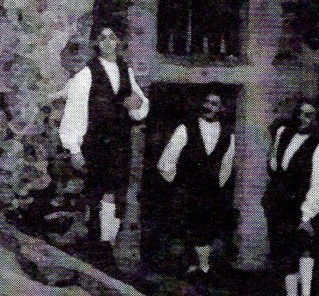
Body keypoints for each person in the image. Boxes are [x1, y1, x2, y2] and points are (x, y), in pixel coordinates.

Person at [59, 24, 149, 265]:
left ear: (119, 42)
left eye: (112, 37)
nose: (108, 42)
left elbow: (140, 108)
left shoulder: (126, 72)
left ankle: (107, 246)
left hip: (120, 143)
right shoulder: (87, 74)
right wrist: (74, 148)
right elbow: (75, 111)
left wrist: (138, 104)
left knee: (116, 194)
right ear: (96, 43)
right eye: (102, 38)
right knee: (99, 194)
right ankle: (97, 247)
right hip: (97, 142)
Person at [157, 90, 236, 276]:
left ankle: (203, 269)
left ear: (221, 108)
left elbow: (226, 165)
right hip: (185, 189)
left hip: (209, 191)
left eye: (214, 104)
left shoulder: (228, 135)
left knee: (205, 229)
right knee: (184, 227)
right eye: (206, 102)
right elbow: (167, 160)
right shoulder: (186, 128)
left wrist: (216, 185)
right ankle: (187, 268)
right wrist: (177, 182)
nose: (209, 107)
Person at [262, 99, 319, 296]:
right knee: (282, 250)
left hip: (302, 206)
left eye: (309, 115)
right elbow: (274, 163)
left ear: (316, 119)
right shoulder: (284, 134)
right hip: (279, 203)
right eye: (300, 113)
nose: (303, 119)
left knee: (301, 249)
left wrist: (307, 216)